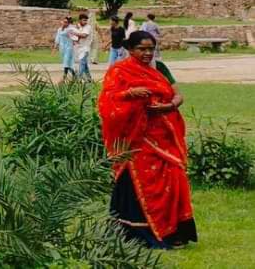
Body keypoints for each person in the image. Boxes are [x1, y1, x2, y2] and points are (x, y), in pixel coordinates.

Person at [99, 31, 197, 249]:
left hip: (164, 134)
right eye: (141, 49)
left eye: (150, 48)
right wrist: (129, 94)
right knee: (143, 179)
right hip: (136, 138)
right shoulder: (119, 71)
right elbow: (107, 100)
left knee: (175, 174)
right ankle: (137, 232)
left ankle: (174, 232)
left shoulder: (159, 68)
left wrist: (170, 105)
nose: (147, 53)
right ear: (130, 50)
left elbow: (177, 95)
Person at [68, 13, 95, 79]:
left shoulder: (88, 27)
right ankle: (89, 79)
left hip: (85, 48)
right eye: (83, 20)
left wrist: (75, 33)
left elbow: (84, 35)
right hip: (79, 48)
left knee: (82, 63)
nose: (85, 22)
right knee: (84, 64)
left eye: (86, 20)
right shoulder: (79, 27)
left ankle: (78, 78)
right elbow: (75, 37)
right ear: (80, 20)